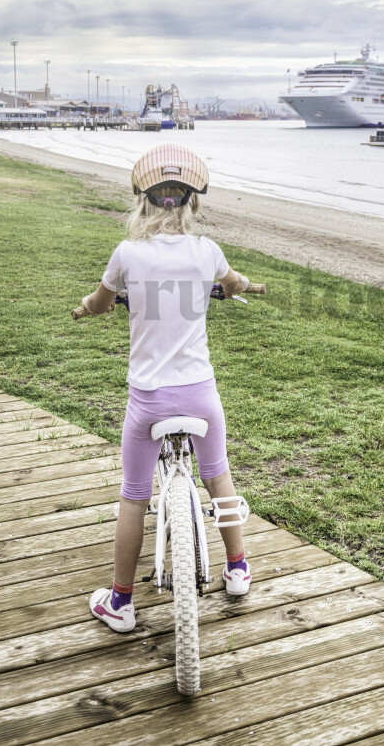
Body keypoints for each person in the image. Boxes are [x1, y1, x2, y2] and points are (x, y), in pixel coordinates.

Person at [81, 143, 251, 633]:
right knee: (218, 475)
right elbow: (235, 282)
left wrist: (89, 308)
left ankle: (120, 601)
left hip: (149, 399)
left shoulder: (127, 254)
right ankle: (237, 568)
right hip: (199, 393)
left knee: (134, 495)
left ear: (144, 200)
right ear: (191, 202)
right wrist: (235, 286)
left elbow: (99, 302)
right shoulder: (208, 252)